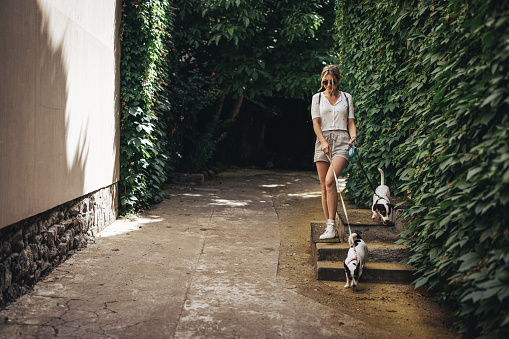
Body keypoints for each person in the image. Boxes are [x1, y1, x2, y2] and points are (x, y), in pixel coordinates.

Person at [311, 65, 357, 239]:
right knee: (324, 186)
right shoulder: (317, 98)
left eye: (332, 82)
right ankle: (329, 226)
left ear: (338, 80)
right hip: (322, 140)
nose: (328, 85)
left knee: (331, 180)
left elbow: (351, 121)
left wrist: (353, 136)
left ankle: (331, 225)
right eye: (325, 82)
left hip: (342, 140)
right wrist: (323, 141)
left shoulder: (347, 97)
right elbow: (316, 123)